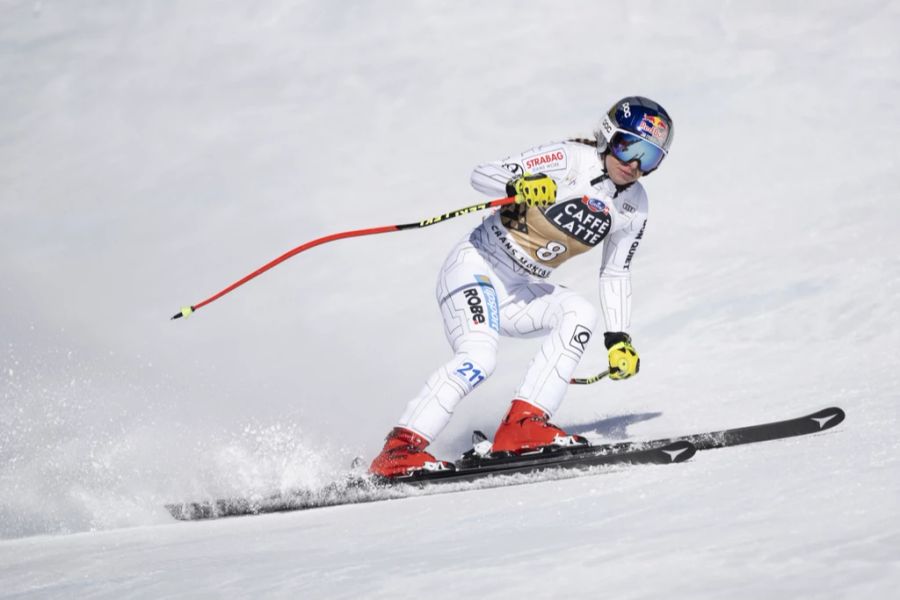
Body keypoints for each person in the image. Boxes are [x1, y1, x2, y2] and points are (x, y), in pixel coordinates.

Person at [369, 96, 674, 477]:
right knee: (479, 358)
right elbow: (482, 173)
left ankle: (523, 425)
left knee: (578, 313)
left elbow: (615, 272)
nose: (634, 165)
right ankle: (399, 450)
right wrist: (519, 183)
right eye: (630, 147)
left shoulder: (635, 206)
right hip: (475, 267)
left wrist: (619, 338)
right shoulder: (569, 159)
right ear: (609, 136)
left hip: (518, 288)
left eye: (650, 158)